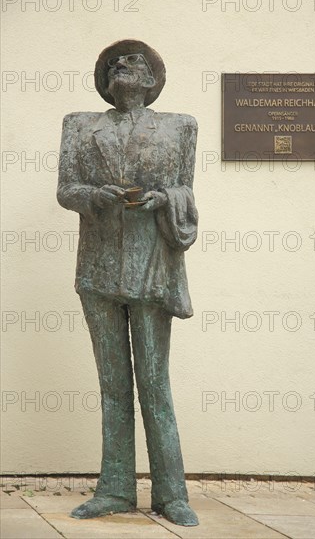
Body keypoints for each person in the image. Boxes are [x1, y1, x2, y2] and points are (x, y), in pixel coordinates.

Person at [57, 39, 199, 526]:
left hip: (152, 264)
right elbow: (66, 189)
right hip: (97, 266)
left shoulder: (179, 127)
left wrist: (165, 199)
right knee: (113, 384)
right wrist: (95, 195)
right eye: (114, 64)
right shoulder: (80, 126)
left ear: (151, 80)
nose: (121, 66)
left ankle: (171, 492)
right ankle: (115, 488)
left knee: (154, 382)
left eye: (132, 62)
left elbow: (185, 189)